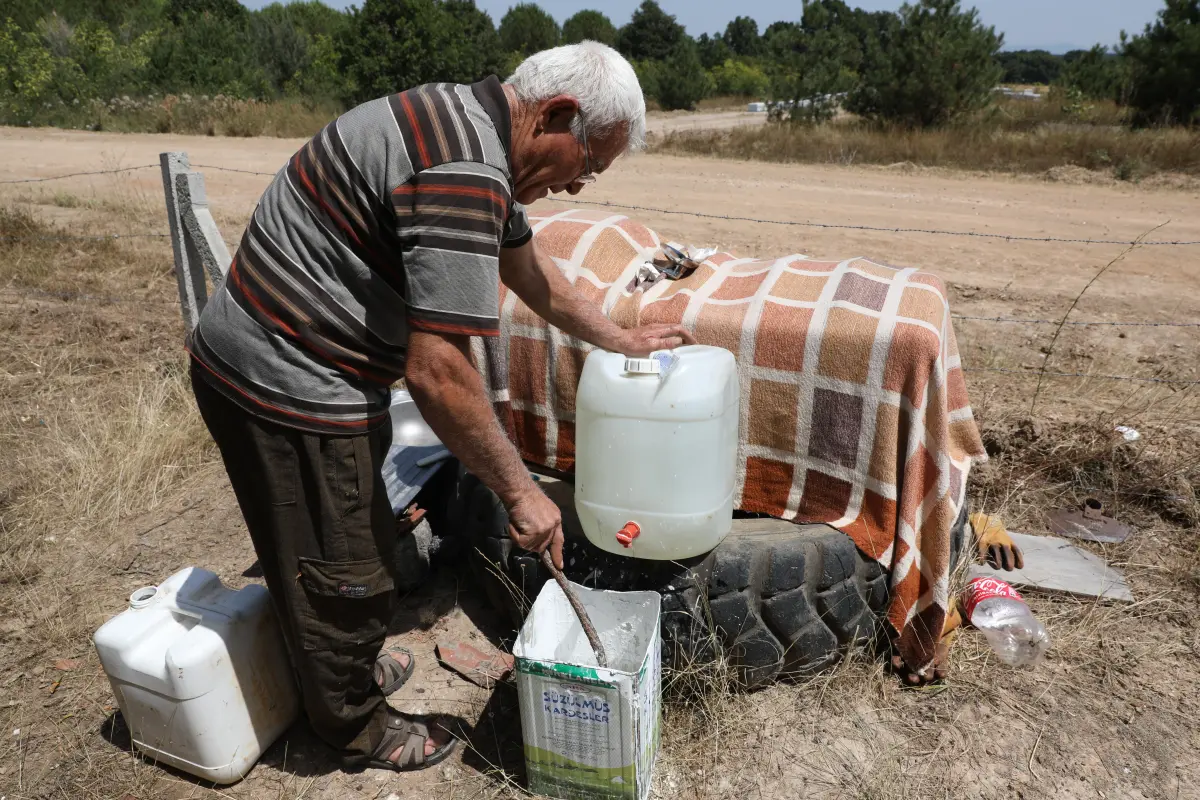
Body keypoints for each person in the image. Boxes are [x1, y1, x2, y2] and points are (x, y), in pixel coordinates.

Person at [187, 42, 692, 772]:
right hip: (283, 376)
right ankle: (351, 725)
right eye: (587, 165)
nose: (581, 186)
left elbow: (530, 271)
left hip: (297, 356)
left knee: (344, 542)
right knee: (347, 569)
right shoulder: (463, 172)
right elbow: (439, 372)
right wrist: (521, 494)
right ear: (556, 115)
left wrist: (621, 338)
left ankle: (341, 673)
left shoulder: (470, 122)